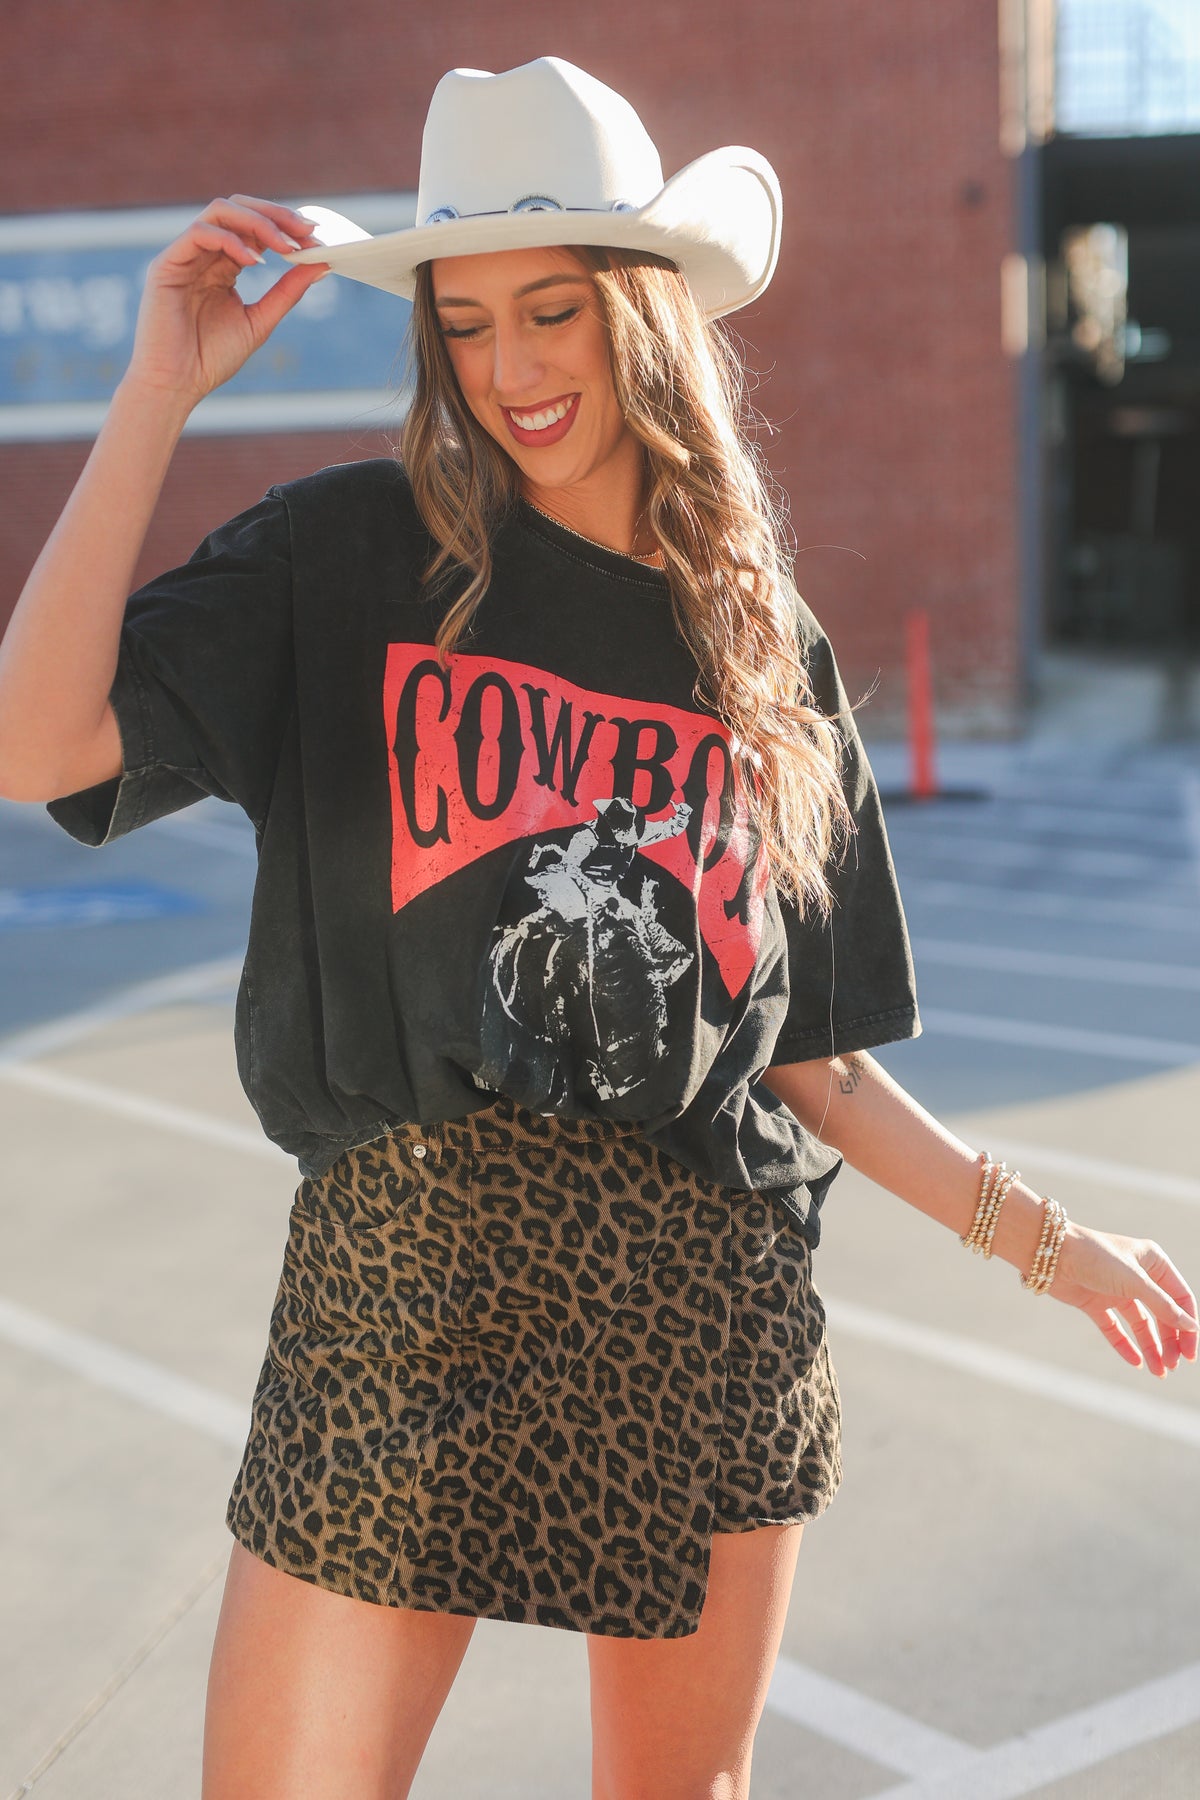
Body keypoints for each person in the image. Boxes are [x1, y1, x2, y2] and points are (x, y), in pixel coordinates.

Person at [0, 54, 1194, 1800]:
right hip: (401, 1292)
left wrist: (1053, 1243)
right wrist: (154, 397)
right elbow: (35, 746)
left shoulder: (758, 643)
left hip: (699, 1310)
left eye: (550, 311)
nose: (510, 369)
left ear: (644, 308)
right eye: (466, 323)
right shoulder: (346, 558)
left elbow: (813, 1059)